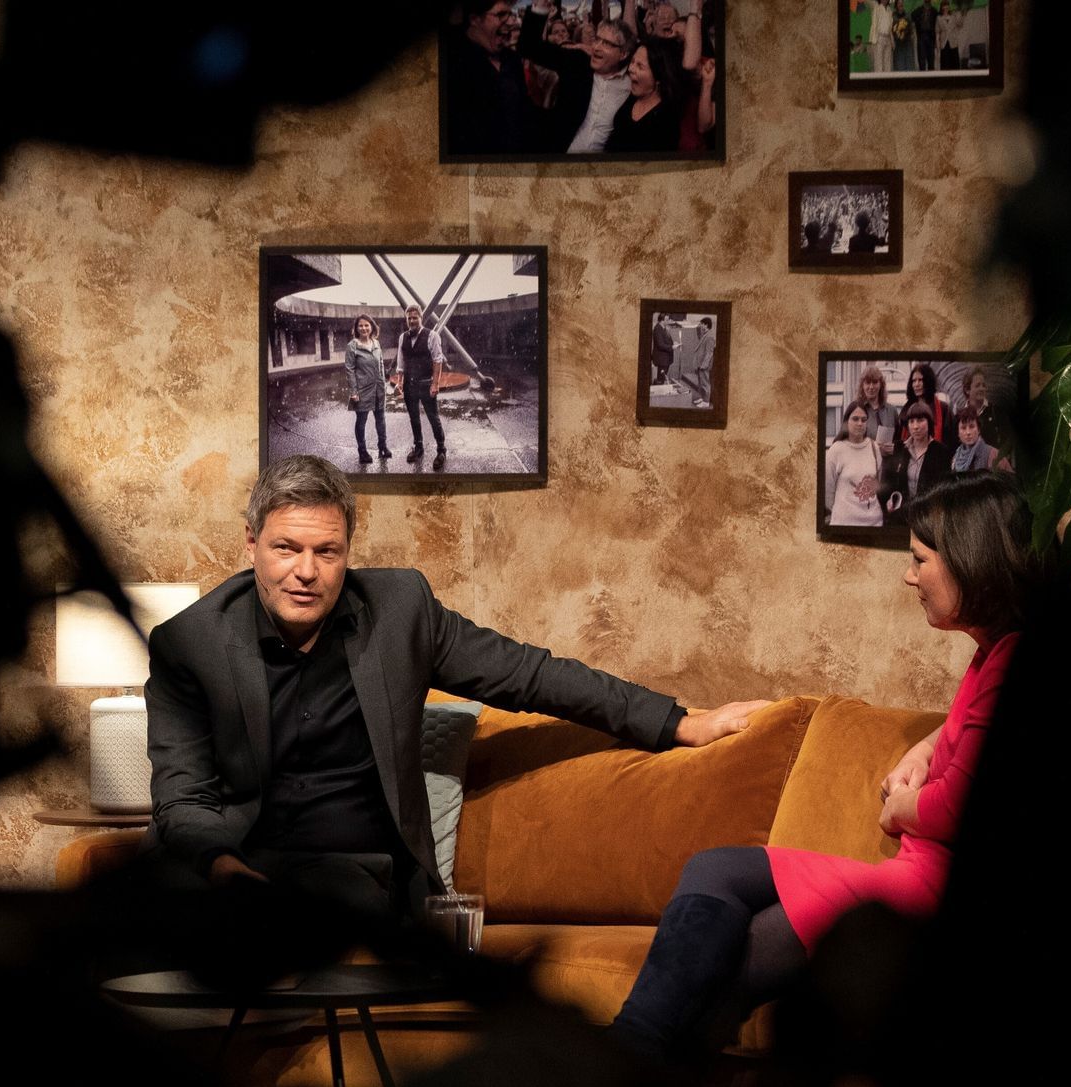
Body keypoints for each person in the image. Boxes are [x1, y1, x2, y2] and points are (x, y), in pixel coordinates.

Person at [144, 455, 770, 922]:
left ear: (348, 553)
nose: (306, 572)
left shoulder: (400, 611)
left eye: (326, 552)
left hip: (361, 873)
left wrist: (680, 722)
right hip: (242, 864)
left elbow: (531, 674)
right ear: (251, 544)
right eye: (286, 548)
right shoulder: (191, 645)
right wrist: (225, 871)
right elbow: (184, 798)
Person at [609, 471, 1041, 1062]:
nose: (908, 576)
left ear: (967, 561)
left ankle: (617, 1071)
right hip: (918, 875)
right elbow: (969, 730)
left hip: (930, 892)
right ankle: (626, 1063)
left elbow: (954, 809)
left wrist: (901, 808)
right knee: (717, 875)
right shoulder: (995, 653)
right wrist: (923, 750)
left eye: (919, 560)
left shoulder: (1012, 658)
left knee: (726, 961)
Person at [520, 0, 636, 154]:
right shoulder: (577, 63)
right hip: (556, 158)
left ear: (623, 54)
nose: (597, 48)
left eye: (607, 43)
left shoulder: (632, 82)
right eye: (597, 40)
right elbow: (529, 46)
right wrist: (540, 7)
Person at [444, 0, 536, 156]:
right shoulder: (452, 63)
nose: (510, 21)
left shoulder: (512, 60)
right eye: (501, 14)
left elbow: (524, 113)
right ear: (474, 20)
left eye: (510, 14)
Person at [390, 305, 448, 469]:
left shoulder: (432, 336)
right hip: (409, 385)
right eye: (409, 318)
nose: (412, 320)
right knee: (414, 418)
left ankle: (441, 450)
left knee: (433, 418)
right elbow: (401, 361)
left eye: (415, 317)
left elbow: (438, 360)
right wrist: (400, 382)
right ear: (406, 319)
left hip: (426, 384)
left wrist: (435, 384)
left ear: (421, 318)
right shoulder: (403, 337)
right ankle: (419, 447)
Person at [605, 39, 684, 154]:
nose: (631, 69)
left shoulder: (666, 120)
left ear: (658, 77)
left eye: (640, 66)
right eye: (632, 62)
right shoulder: (632, 96)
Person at [883, 400, 950, 521]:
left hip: (928, 518)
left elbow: (943, 490)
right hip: (902, 517)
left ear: (929, 422)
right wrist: (890, 500)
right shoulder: (899, 448)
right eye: (911, 421)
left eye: (920, 420)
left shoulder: (941, 452)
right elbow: (889, 482)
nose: (915, 426)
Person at [824, 402, 884, 526]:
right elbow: (828, 490)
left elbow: (877, 483)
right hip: (844, 523)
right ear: (846, 421)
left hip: (874, 523)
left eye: (863, 419)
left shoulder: (874, 447)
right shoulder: (836, 450)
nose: (860, 423)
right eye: (855, 419)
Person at [344, 315, 391, 466]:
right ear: (356, 329)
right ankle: (362, 451)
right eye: (361, 326)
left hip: (378, 389)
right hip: (362, 390)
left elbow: (381, 364)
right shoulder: (352, 346)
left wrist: (383, 382)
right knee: (361, 421)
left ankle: (382, 447)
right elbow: (349, 369)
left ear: (372, 327)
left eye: (367, 325)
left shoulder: (376, 343)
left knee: (381, 419)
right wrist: (353, 391)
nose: (364, 328)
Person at [896, 362, 951, 449]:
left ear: (928, 381)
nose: (916, 384)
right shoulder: (906, 410)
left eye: (920, 380)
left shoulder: (943, 409)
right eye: (914, 381)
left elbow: (950, 441)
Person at [853, 366, 897, 458]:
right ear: (862, 386)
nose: (871, 387)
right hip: (863, 465)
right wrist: (874, 448)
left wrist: (895, 448)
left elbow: (899, 439)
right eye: (868, 383)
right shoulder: (855, 409)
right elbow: (847, 441)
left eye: (875, 382)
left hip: (887, 467)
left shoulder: (892, 410)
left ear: (881, 385)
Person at [685, 316, 716, 407]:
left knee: (705, 383)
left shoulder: (710, 336)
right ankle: (703, 398)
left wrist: (704, 365)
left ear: (706, 325)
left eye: (702, 324)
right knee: (701, 382)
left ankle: (706, 402)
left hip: (704, 365)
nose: (700, 326)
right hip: (700, 364)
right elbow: (699, 334)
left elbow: (709, 353)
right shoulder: (705, 334)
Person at [866, 0, 896, 74]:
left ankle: (888, 81)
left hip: (888, 37)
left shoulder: (890, 10)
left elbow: (890, 26)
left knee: (888, 62)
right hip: (879, 37)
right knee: (878, 62)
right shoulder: (876, 7)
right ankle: (878, 82)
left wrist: (892, 41)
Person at [650, 311, 677, 387]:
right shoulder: (657, 329)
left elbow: (667, 340)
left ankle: (660, 387)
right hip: (662, 359)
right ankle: (659, 391)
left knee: (663, 377)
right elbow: (660, 345)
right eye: (667, 320)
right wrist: (671, 347)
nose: (668, 321)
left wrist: (673, 343)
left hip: (665, 358)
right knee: (661, 378)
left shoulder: (664, 328)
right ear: (662, 320)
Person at [911, 0, 938, 71]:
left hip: (931, 36)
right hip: (921, 36)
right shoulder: (918, 10)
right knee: (921, 60)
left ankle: (931, 78)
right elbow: (912, 16)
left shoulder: (934, 11)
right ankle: (922, 78)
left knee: (931, 60)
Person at [938, 0, 964, 70]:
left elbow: (960, 24)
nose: (946, 7)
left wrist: (959, 14)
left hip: (953, 41)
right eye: (944, 6)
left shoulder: (953, 16)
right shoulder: (939, 18)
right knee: (945, 63)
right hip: (944, 42)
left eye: (947, 6)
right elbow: (937, 31)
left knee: (955, 62)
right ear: (942, 8)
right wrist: (938, 44)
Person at [891, 1, 917, 71]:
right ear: (896, 5)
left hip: (907, 42)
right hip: (898, 44)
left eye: (902, 2)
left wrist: (911, 34)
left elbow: (911, 28)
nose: (901, 4)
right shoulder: (892, 16)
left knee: (909, 63)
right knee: (899, 64)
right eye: (899, 3)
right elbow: (891, 29)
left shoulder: (908, 15)